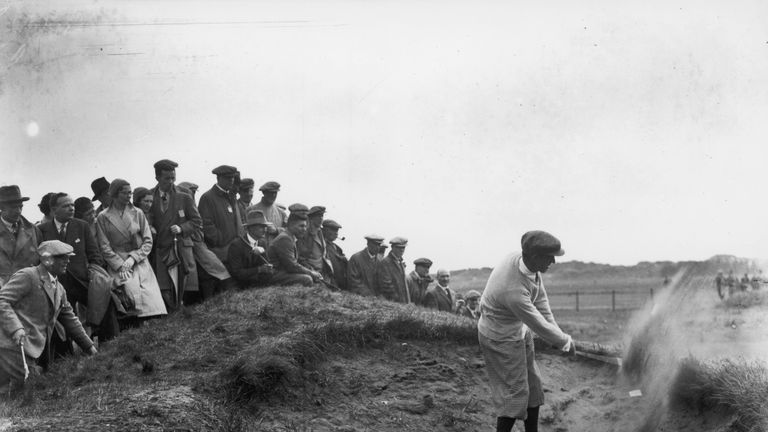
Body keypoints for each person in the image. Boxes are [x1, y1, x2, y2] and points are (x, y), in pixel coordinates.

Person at [478, 230, 575, 432]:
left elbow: (541, 302)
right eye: (550, 258)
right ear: (534, 257)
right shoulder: (512, 290)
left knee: (533, 388)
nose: (554, 262)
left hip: (518, 331)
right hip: (499, 338)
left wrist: (560, 337)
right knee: (515, 395)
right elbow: (537, 322)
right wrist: (564, 342)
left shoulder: (524, 261)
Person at [0, 240, 97, 393]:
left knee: (32, 389)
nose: (67, 261)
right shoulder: (28, 276)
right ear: (47, 260)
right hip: (12, 346)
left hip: (33, 350)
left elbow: (70, 320)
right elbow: (2, 300)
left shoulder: (59, 289)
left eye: (68, 257)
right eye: (61, 257)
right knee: (29, 391)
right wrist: (16, 328)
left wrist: (90, 348)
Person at [38, 193, 116, 360]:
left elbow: (94, 254)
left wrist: (95, 274)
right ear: (54, 209)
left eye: (72, 205)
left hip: (82, 279)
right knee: (59, 318)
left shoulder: (81, 225)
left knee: (105, 302)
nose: (71, 208)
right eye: (66, 205)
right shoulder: (42, 230)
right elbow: (40, 258)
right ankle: (65, 357)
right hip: (58, 283)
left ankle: (110, 347)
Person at [95, 179, 167, 322]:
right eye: (125, 193)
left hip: (139, 260)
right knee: (129, 298)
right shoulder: (103, 217)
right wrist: (120, 264)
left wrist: (133, 258)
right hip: (118, 262)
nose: (129, 196)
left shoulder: (138, 212)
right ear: (115, 194)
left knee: (150, 301)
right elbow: (104, 246)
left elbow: (147, 240)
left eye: (130, 192)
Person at [148, 160, 201, 311]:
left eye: (173, 178)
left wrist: (182, 228)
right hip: (162, 248)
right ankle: (172, 314)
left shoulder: (184, 196)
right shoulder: (150, 196)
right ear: (157, 177)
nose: (171, 182)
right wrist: (150, 226)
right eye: (167, 178)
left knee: (184, 286)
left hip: (181, 247)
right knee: (164, 286)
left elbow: (197, 221)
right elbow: (146, 218)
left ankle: (184, 315)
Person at [197, 165, 243, 296]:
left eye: (233, 178)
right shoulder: (208, 197)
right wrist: (221, 241)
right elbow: (206, 225)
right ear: (219, 178)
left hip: (232, 249)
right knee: (220, 286)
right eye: (228, 178)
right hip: (219, 250)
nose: (232, 181)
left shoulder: (230, 197)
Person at [0, 185, 42, 287]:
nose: (18, 211)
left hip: (30, 289)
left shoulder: (33, 230)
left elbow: (43, 261)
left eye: (20, 207)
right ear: (1, 207)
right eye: (13, 207)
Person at [267, 212, 322, 287]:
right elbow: (292, 266)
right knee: (307, 279)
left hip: (282, 272)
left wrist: (311, 270)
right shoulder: (285, 239)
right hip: (274, 274)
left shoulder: (290, 237)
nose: (304, 229)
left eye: (305, 226)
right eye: (301, 226)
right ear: (291, 225)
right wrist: (311, 273)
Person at [227, 209, 274, 288]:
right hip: (239, 285)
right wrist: (259, 269)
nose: (265, 230)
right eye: (261, 227)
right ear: (250, 228)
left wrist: (268, 267)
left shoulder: (262, 242)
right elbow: (236, 273)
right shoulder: (236, 245)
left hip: (257, 284)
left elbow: (266, 263)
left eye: (265, 227)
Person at [297, 206, 332, 279]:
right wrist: (311, 271)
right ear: (311, 218)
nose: (321, 219)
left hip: (321, 272)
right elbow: (301, 258)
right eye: (318, 216)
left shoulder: (320, 232)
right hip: (311, 272)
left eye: (322, 216)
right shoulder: (305, 234)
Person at [375, 237, 410, 303]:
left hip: (401, 303)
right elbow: (386, 285)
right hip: (392, 303)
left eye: (403, 248)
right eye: (399, 248)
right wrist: (397, 300)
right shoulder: (385, 262)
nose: (402, 250)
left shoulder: (400, 262)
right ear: (393, 247)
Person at [322, 219, 347, 290]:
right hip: (329, 283)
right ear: (324, 230)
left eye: (337, 231)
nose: (336, 233)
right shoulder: (322, 246)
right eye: (333, 230)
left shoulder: (337, 248)